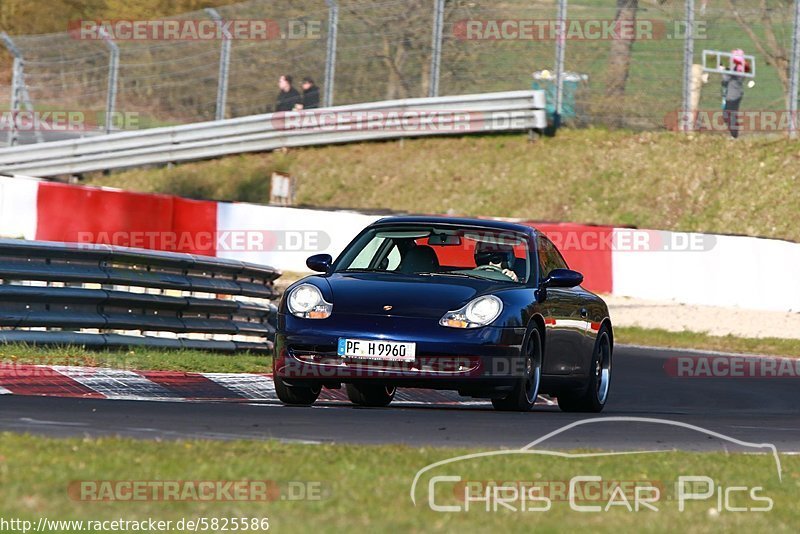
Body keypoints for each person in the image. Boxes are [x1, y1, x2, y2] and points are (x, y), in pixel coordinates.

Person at [721, 49, 747, 139]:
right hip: (731, 95)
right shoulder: (738, 68)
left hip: (733, 96)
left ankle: (734, 135)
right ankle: (733, 134)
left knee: (730, 116)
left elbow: (726, 79)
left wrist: (723, 70)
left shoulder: (737, 69)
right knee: (727, 115)